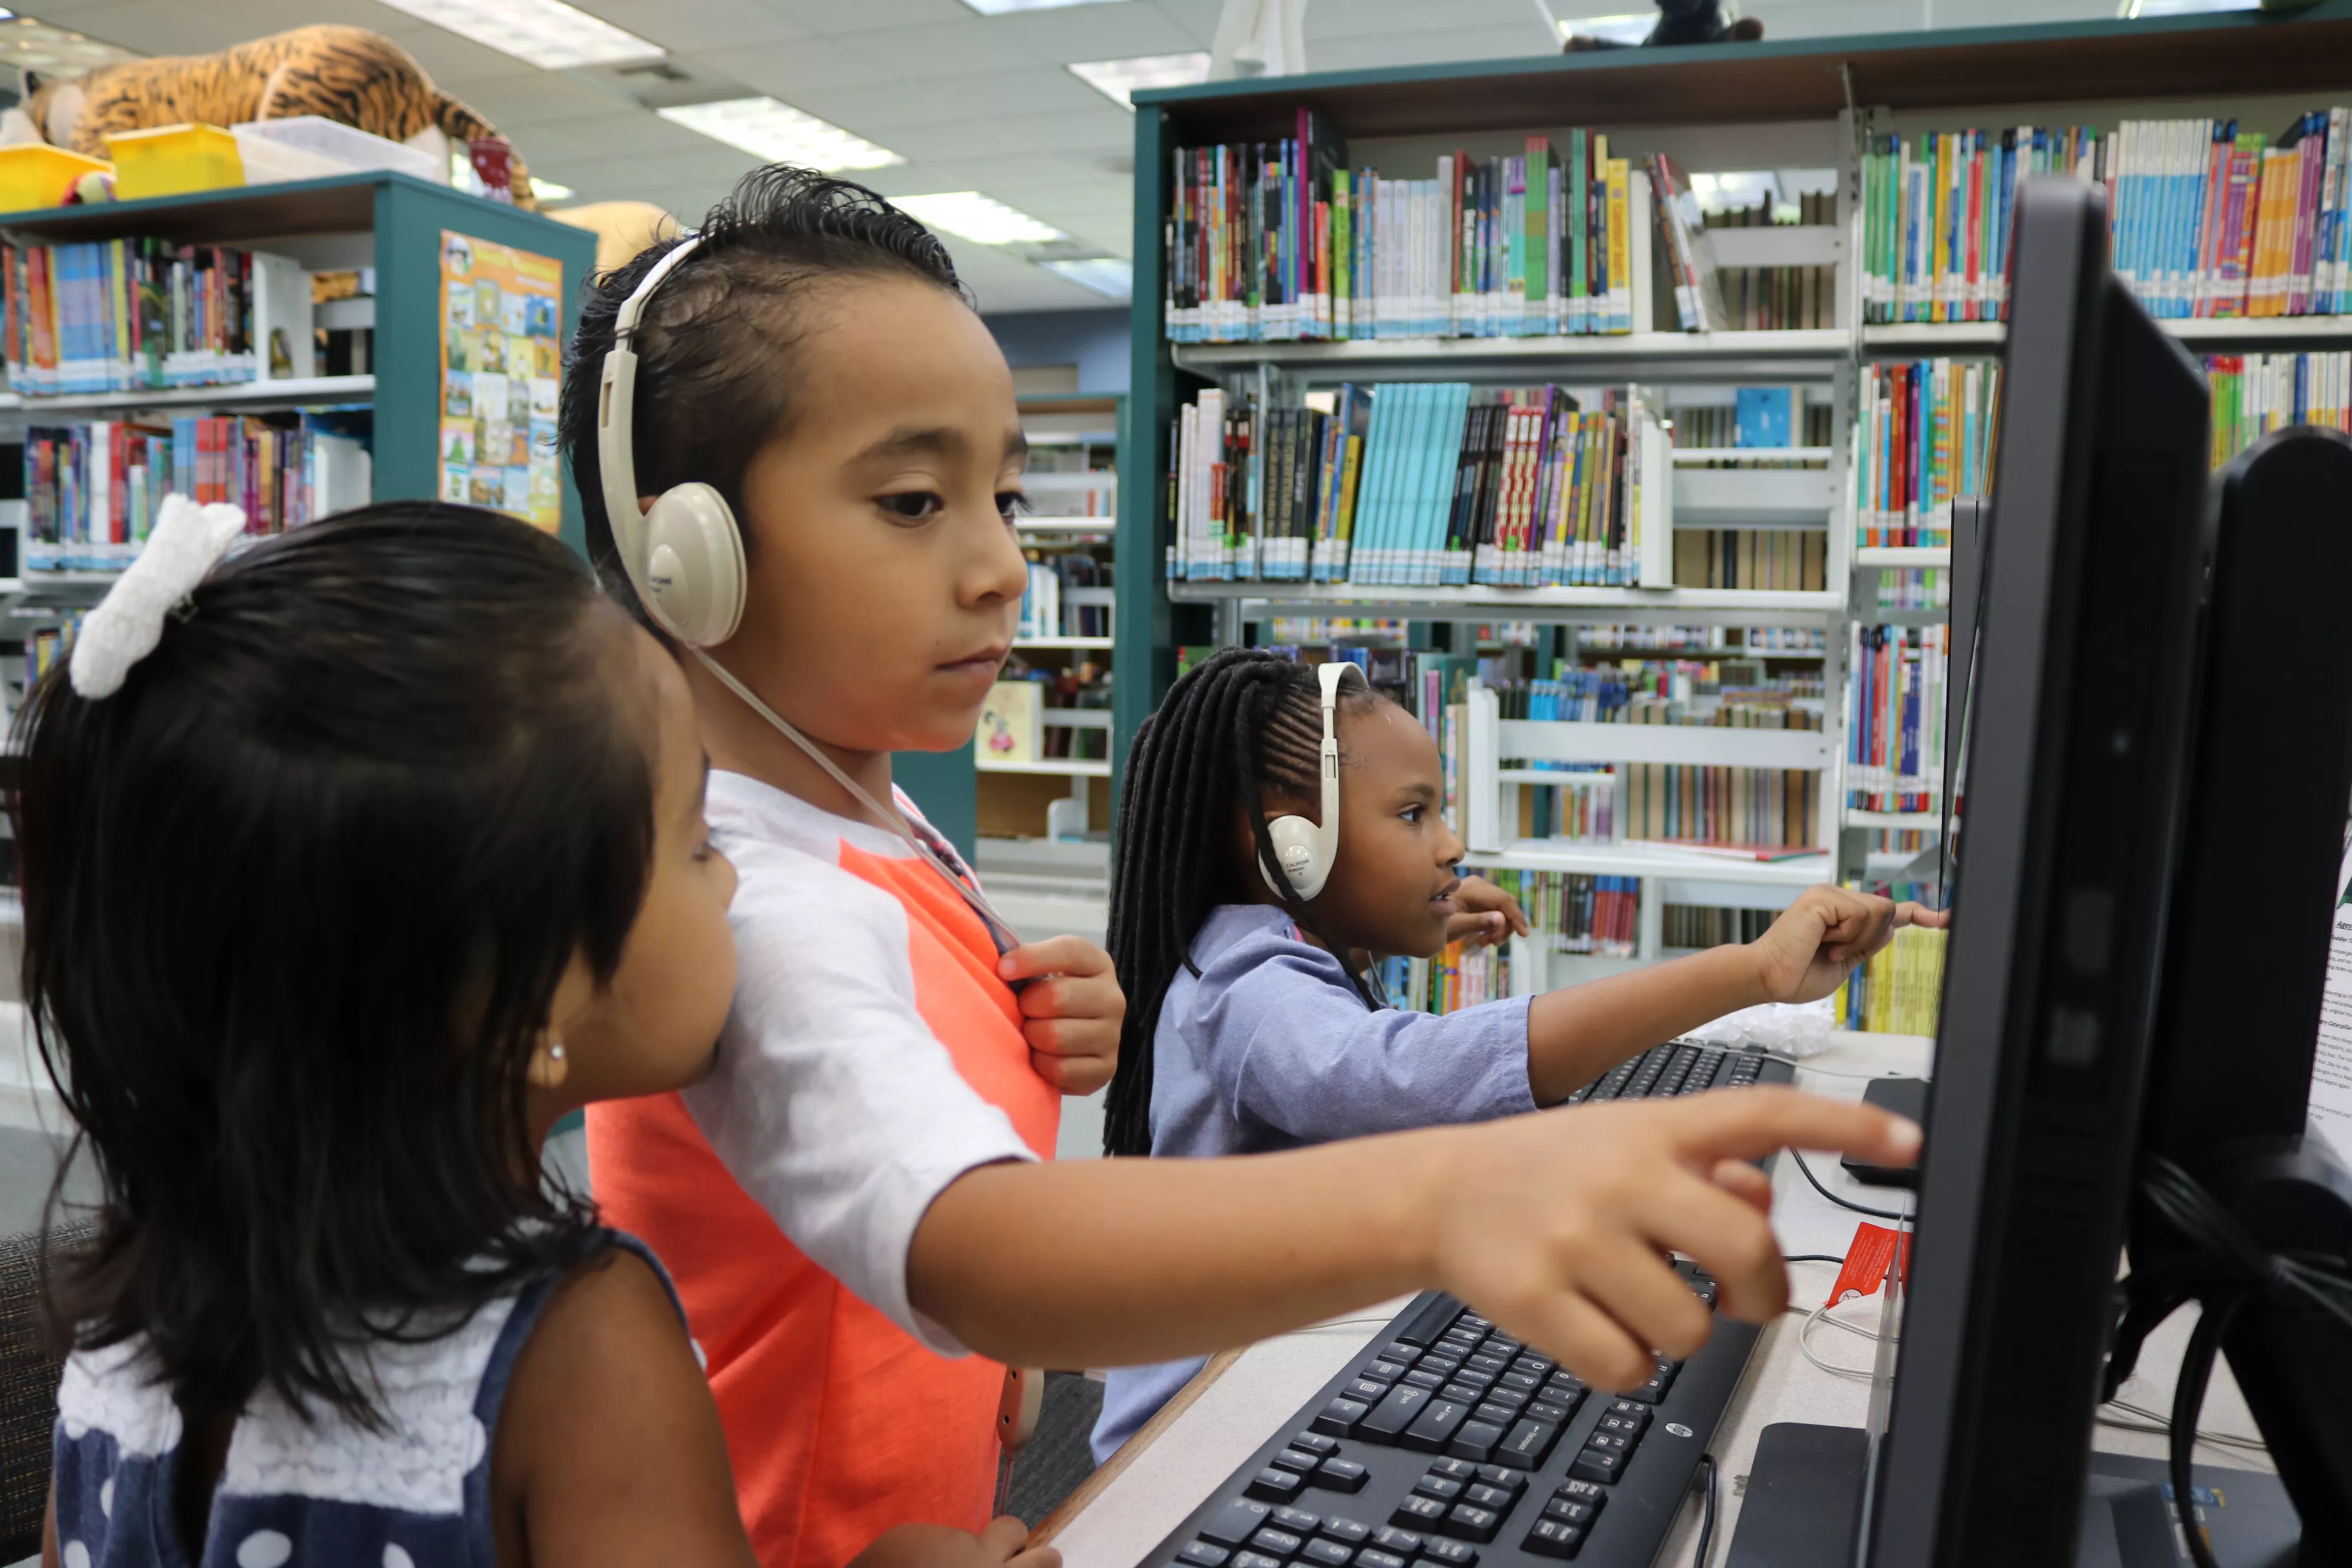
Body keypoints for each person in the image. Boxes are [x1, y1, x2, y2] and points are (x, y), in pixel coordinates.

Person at [558, 165, 1924, 1568]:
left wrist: (1038, 1023)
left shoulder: (875, 823)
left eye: (1008, 499)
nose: (1001, 567)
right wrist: (1455, 1200)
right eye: (915, 501)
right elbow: (981, 1251)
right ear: (686, 550)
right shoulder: (756, 896)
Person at [19, 499, 1051, 1568]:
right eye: (696, 840)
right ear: (530, 1000)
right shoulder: (580, 1354)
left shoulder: (124, 1331)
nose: (733, 876)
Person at [1087, 648, 1944, 1456]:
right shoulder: (1244, 991)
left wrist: (1399, 919)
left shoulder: (1261, 947)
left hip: (1285, 1364)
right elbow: (1398, 1079)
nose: (1451, 846)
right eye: (1414, 814)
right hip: (1192, 1431)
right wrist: (1753, 970)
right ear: (1284, 842)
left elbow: (1319, 1000)